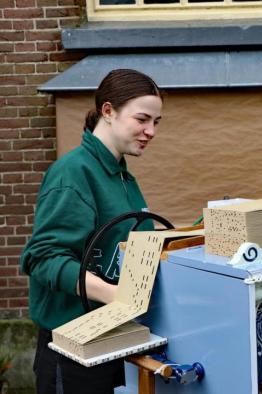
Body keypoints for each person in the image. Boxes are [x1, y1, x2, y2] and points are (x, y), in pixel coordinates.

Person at [20, 69, 163, 393]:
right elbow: (43, 259)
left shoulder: (122, 177)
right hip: (72, 354)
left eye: (156, 122)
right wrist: (115, 295)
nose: (150, 130)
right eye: (142, 119)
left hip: (115, 341)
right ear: (108, 111)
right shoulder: (73, 173)